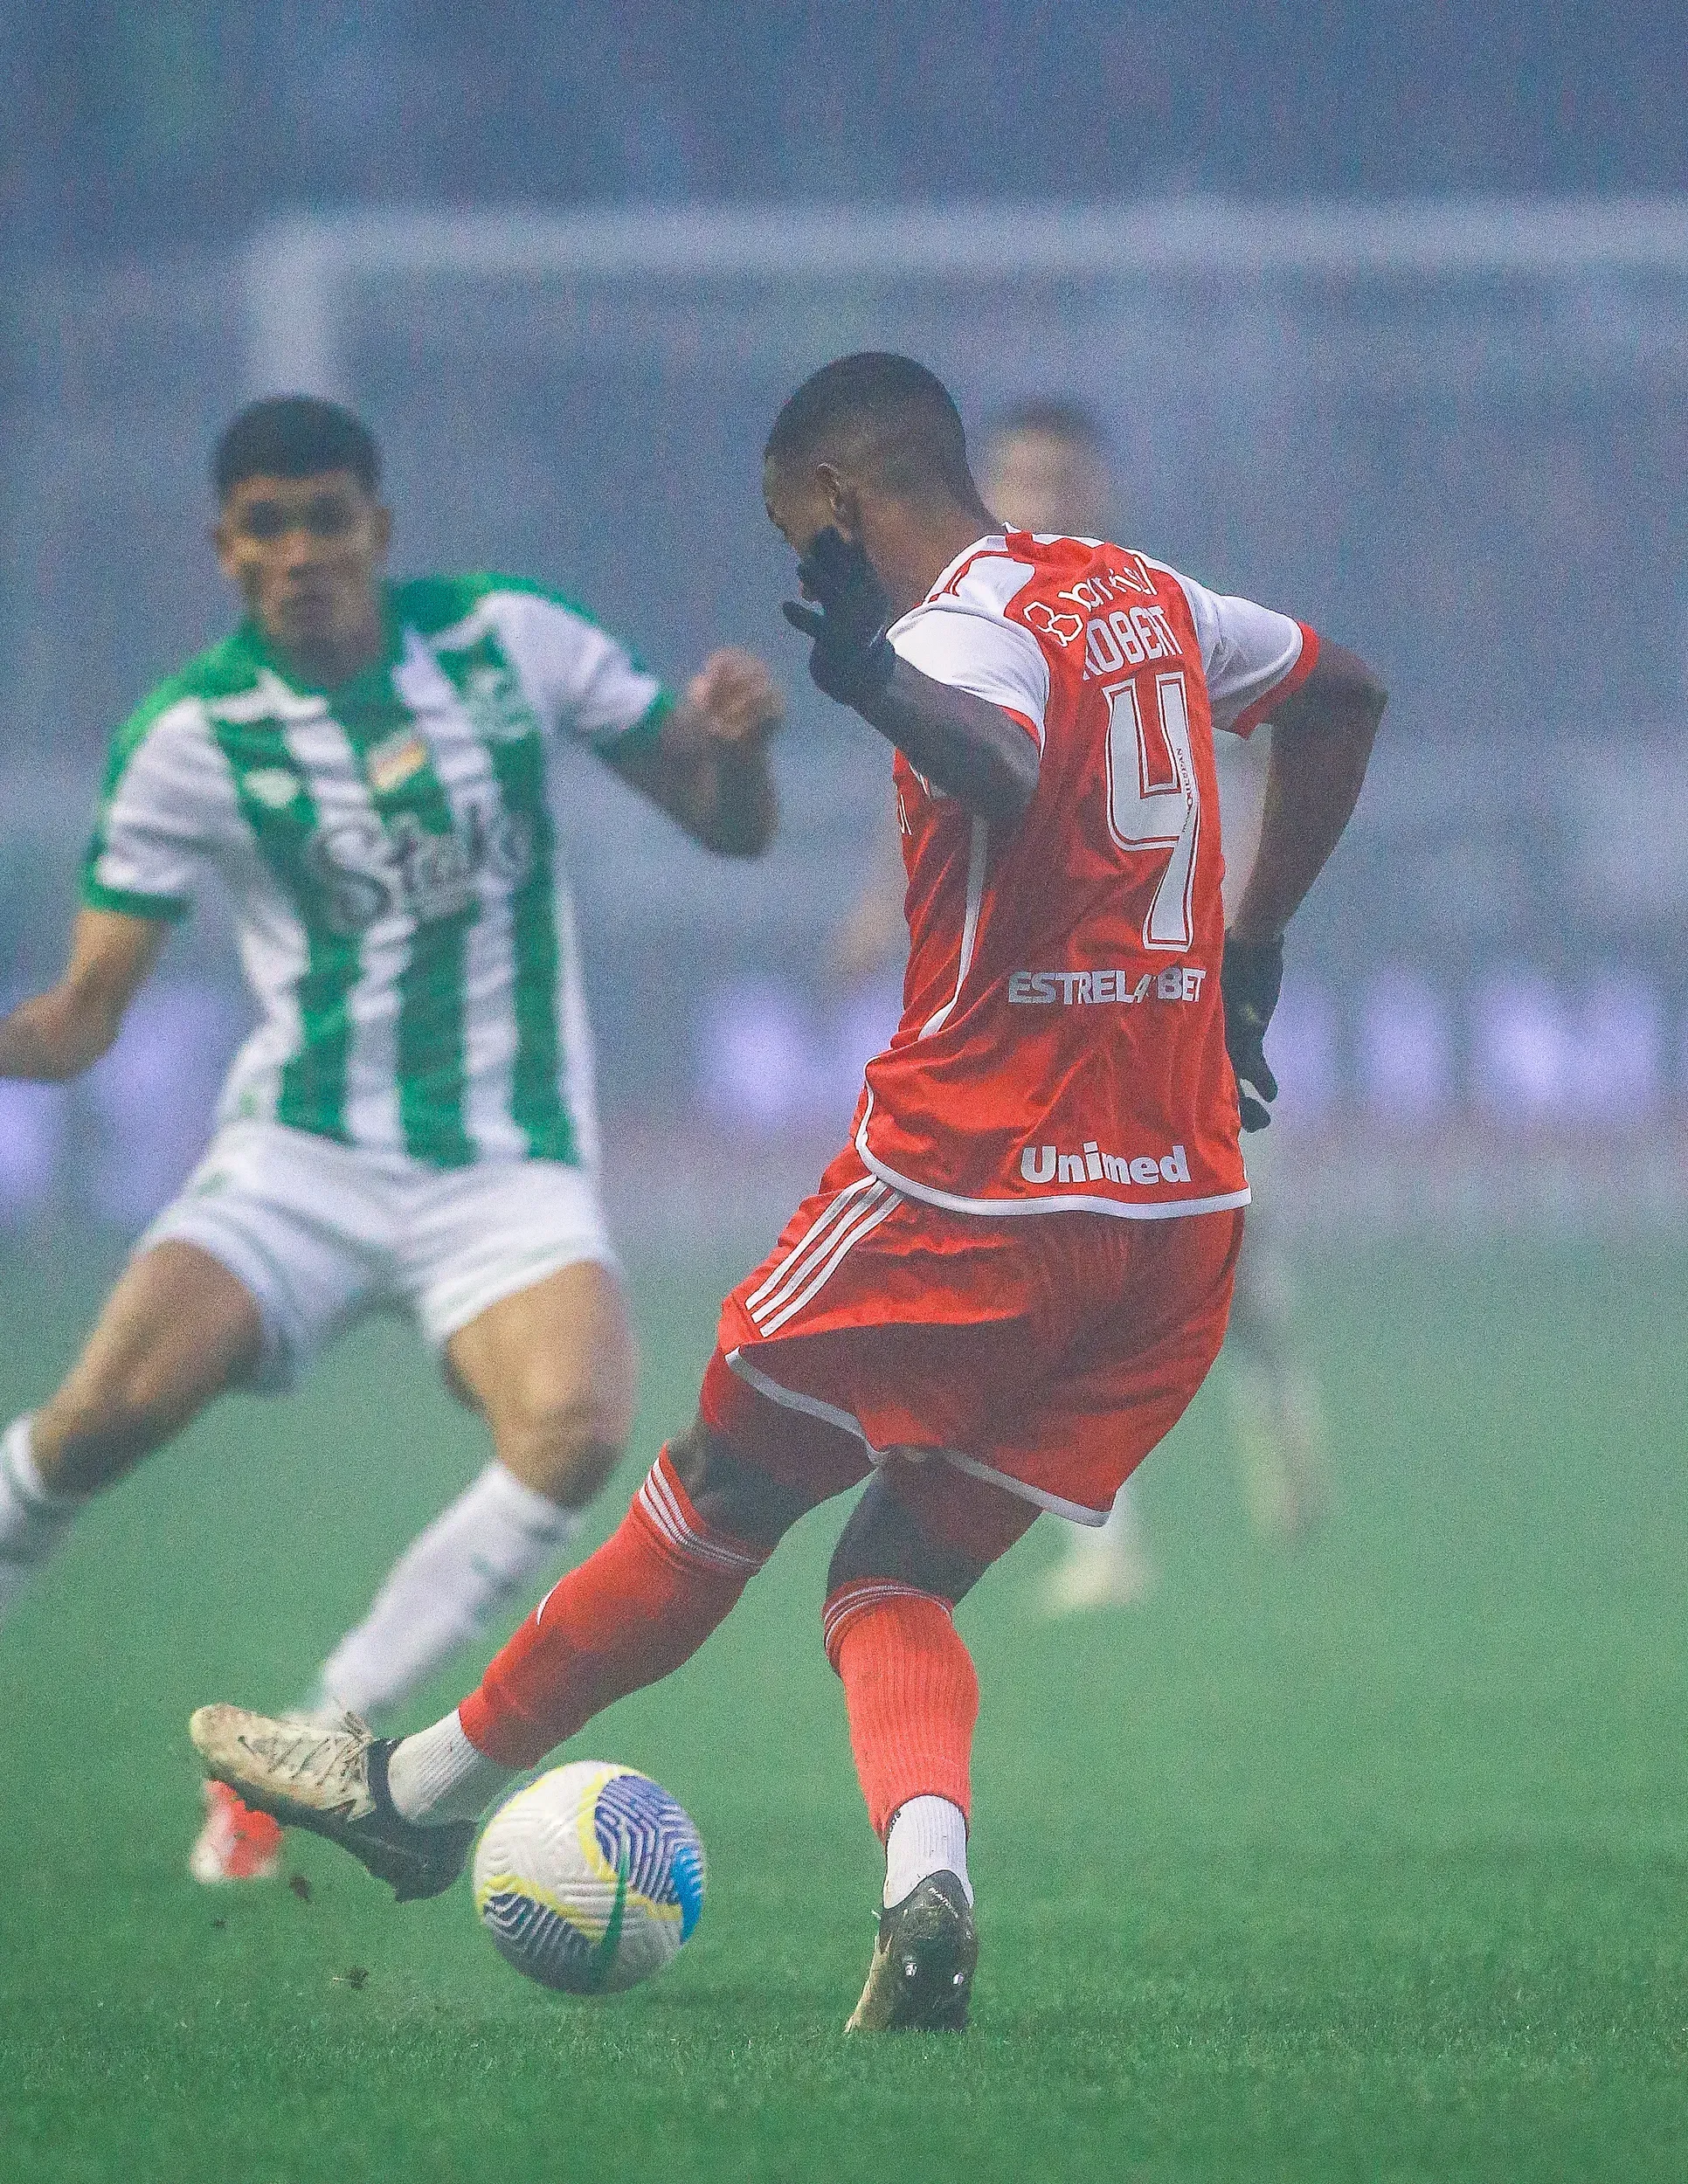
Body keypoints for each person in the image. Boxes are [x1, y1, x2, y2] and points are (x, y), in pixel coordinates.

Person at [190, 354, 1385, 2030]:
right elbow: (1344, 696)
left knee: (713, 1496)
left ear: (834, 498)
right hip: (1171, 1221)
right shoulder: (1147, 597)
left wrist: (880, 684)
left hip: (971, 1194)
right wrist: (1250, 943)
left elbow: (1006, 761)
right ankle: (927, 1893)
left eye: (794, 529)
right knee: (887, 1578)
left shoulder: (960, 625)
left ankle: (422, 1800)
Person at [0, 396, 781, 1883]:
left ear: (381, 530)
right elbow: (84, 1017)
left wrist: (736, 752)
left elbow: (723, 822)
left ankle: (314, 1740)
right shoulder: (187, 739)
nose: (301, 554)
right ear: (222, 550)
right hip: (299, 1155)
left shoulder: (509, 643)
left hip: (507, 1159)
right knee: (94, 1423)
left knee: (576, 1428)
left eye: (327, 520)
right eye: (267, 528)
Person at [838, 398, 1328, 1616]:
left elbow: (1267, 756)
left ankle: (1274, 1397)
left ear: (1101, 489)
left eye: (1061, 481)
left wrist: (1241, 923)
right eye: (1021, 481)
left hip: (1161, 985)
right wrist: (870, 912)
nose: (1040, 503)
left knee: (1213, 1251)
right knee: (1066, 1262)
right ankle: (1099, 1536)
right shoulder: (980, 618)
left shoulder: (1161, 612)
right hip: (1044, 1002)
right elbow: (942, 792)